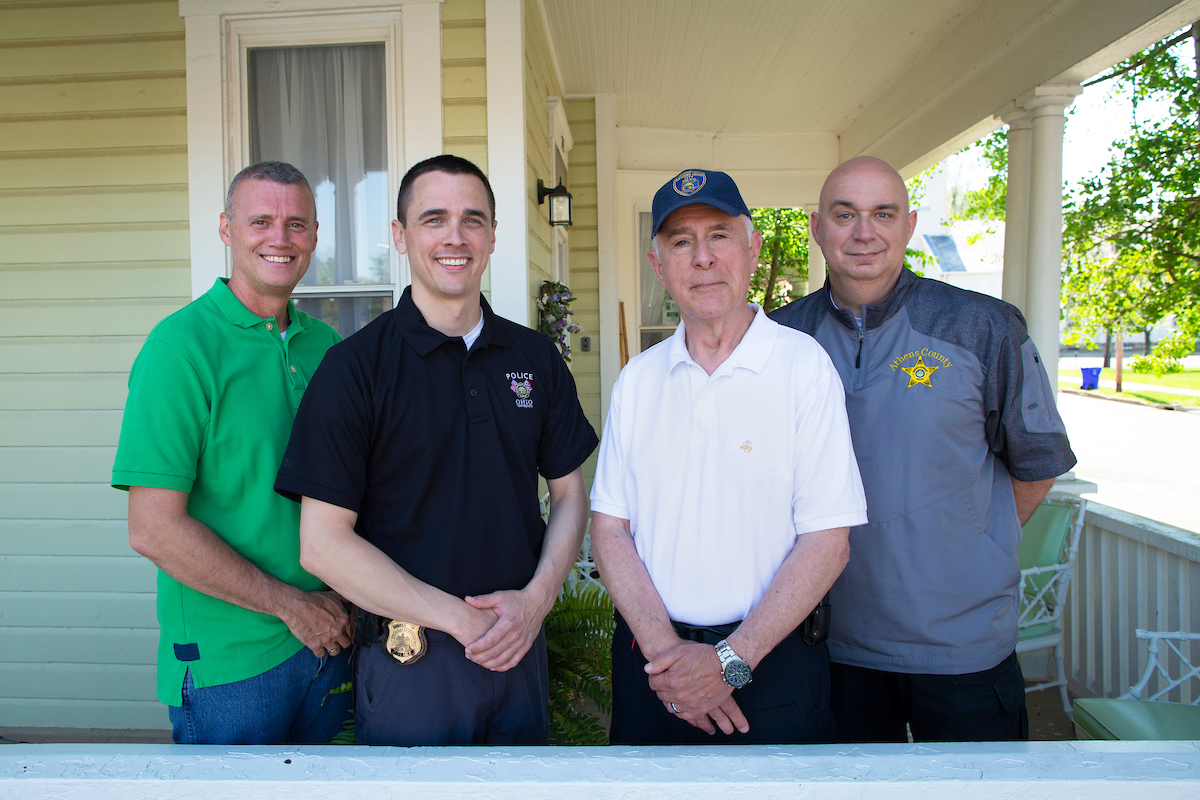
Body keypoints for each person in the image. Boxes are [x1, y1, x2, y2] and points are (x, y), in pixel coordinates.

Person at [275, 154, 598, 746]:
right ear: (400, 237)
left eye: (473, 220)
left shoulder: (534, 360)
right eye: (434, 219)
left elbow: (569, 491)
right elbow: (322, 546)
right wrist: (460, 620)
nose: (456, 236)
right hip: (412, 667)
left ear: (494, 235)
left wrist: (537, 600)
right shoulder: (354, 370)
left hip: (519, 652)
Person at [771, 156, 1078, 743]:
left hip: (961, 645)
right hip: (828, 641)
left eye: (883, 214)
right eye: (845, 214)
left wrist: (971, 539)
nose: (865, 232)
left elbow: (1036, 466)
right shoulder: (780, 338)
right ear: (816, 225)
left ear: (910, 225)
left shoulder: (981, 326)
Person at [589, 169, 868, 745]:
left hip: (773, 664)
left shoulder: (803, 367)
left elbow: (828, 541)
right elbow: (610, 530)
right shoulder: (638, 380)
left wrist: (727, 663)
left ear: (752, 245)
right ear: (657, 263)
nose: (703, 258)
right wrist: (672, 660)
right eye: (681, 242)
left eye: (719, 234)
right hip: (653, 664)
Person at [112, 161, 353, 745]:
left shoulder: (326, 346)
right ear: (226, 229)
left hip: (333, 639)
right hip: (232, 664)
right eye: (261, 221)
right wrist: (290, 606)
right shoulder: (180, 348)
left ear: (316, 237)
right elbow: (152, 529)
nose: (280, 238)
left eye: (297, 224)